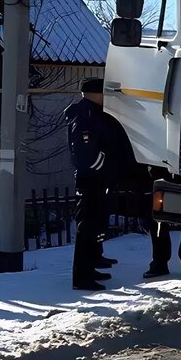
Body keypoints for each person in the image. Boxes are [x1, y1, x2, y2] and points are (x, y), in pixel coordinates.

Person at [65, 78, 117, 290]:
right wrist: (104, 165)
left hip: (95, 178)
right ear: (93, 94)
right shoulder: (85, 116)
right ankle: (82, 277)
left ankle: (90, 266)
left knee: (94, 224)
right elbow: (85, 154)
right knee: (86, 227)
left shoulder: (92, 113)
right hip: (90, 179)